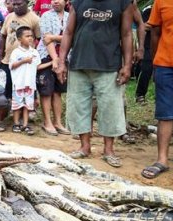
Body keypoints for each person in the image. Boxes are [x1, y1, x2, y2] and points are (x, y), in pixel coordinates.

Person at [56, 0, 133, 168]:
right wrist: (61, 62)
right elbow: (68, 32)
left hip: (109, 64)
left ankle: (109, 150)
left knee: (110, 107)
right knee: (79, 105)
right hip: (79, 62)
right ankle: (84, 147)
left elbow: (127, 34)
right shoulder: (78, 2)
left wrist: (127, 65)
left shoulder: (123, 3)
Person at [141, 0, 173, 179]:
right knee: (165, 113)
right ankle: (162, 159)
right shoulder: (162, 1)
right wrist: (155, 62)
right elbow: (155, 32)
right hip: (166, 64)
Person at [37, 0, 69, 136]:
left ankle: (58, 122)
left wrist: (55, 37)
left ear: (66, 1)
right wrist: (55, 59)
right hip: (46, 56)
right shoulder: (46, 16)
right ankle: (47, 122)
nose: (55, 1)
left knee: (58, 91)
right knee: (46, 90)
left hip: (65, 57)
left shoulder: (70, 16)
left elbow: (73, 38)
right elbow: (46, 39)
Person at [0, 0, 40, 98]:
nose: (16, 7)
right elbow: (3, 36)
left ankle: (29, 108)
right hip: (8, 60)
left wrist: (34, 55)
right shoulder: (9, 16)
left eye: (19, 4)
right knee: (8, 87)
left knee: (26, 87)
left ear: (27, 3)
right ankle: (12, 108)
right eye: (14, 4)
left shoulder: (34, 19)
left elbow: (39, 39)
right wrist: (1, 55)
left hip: (26, 62)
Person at [9, 26, 40, 135]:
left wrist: (52, 63)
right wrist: (24, 60)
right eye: (27, 36)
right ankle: (16, 123)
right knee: (17, 105)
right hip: (18, 83)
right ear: (19, 39)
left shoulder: (35, 52)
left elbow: (37, 66)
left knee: (27, 105)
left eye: (31, 36)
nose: (30, 38)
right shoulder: (16, 52)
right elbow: (12, 66)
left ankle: (25, 124)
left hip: (30, 84)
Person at [134, 4, 152, 104]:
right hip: (148, 45)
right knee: (146, 69)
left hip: (165, 45)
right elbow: (143, 26)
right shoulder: (149, 10)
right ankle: (140, 94)